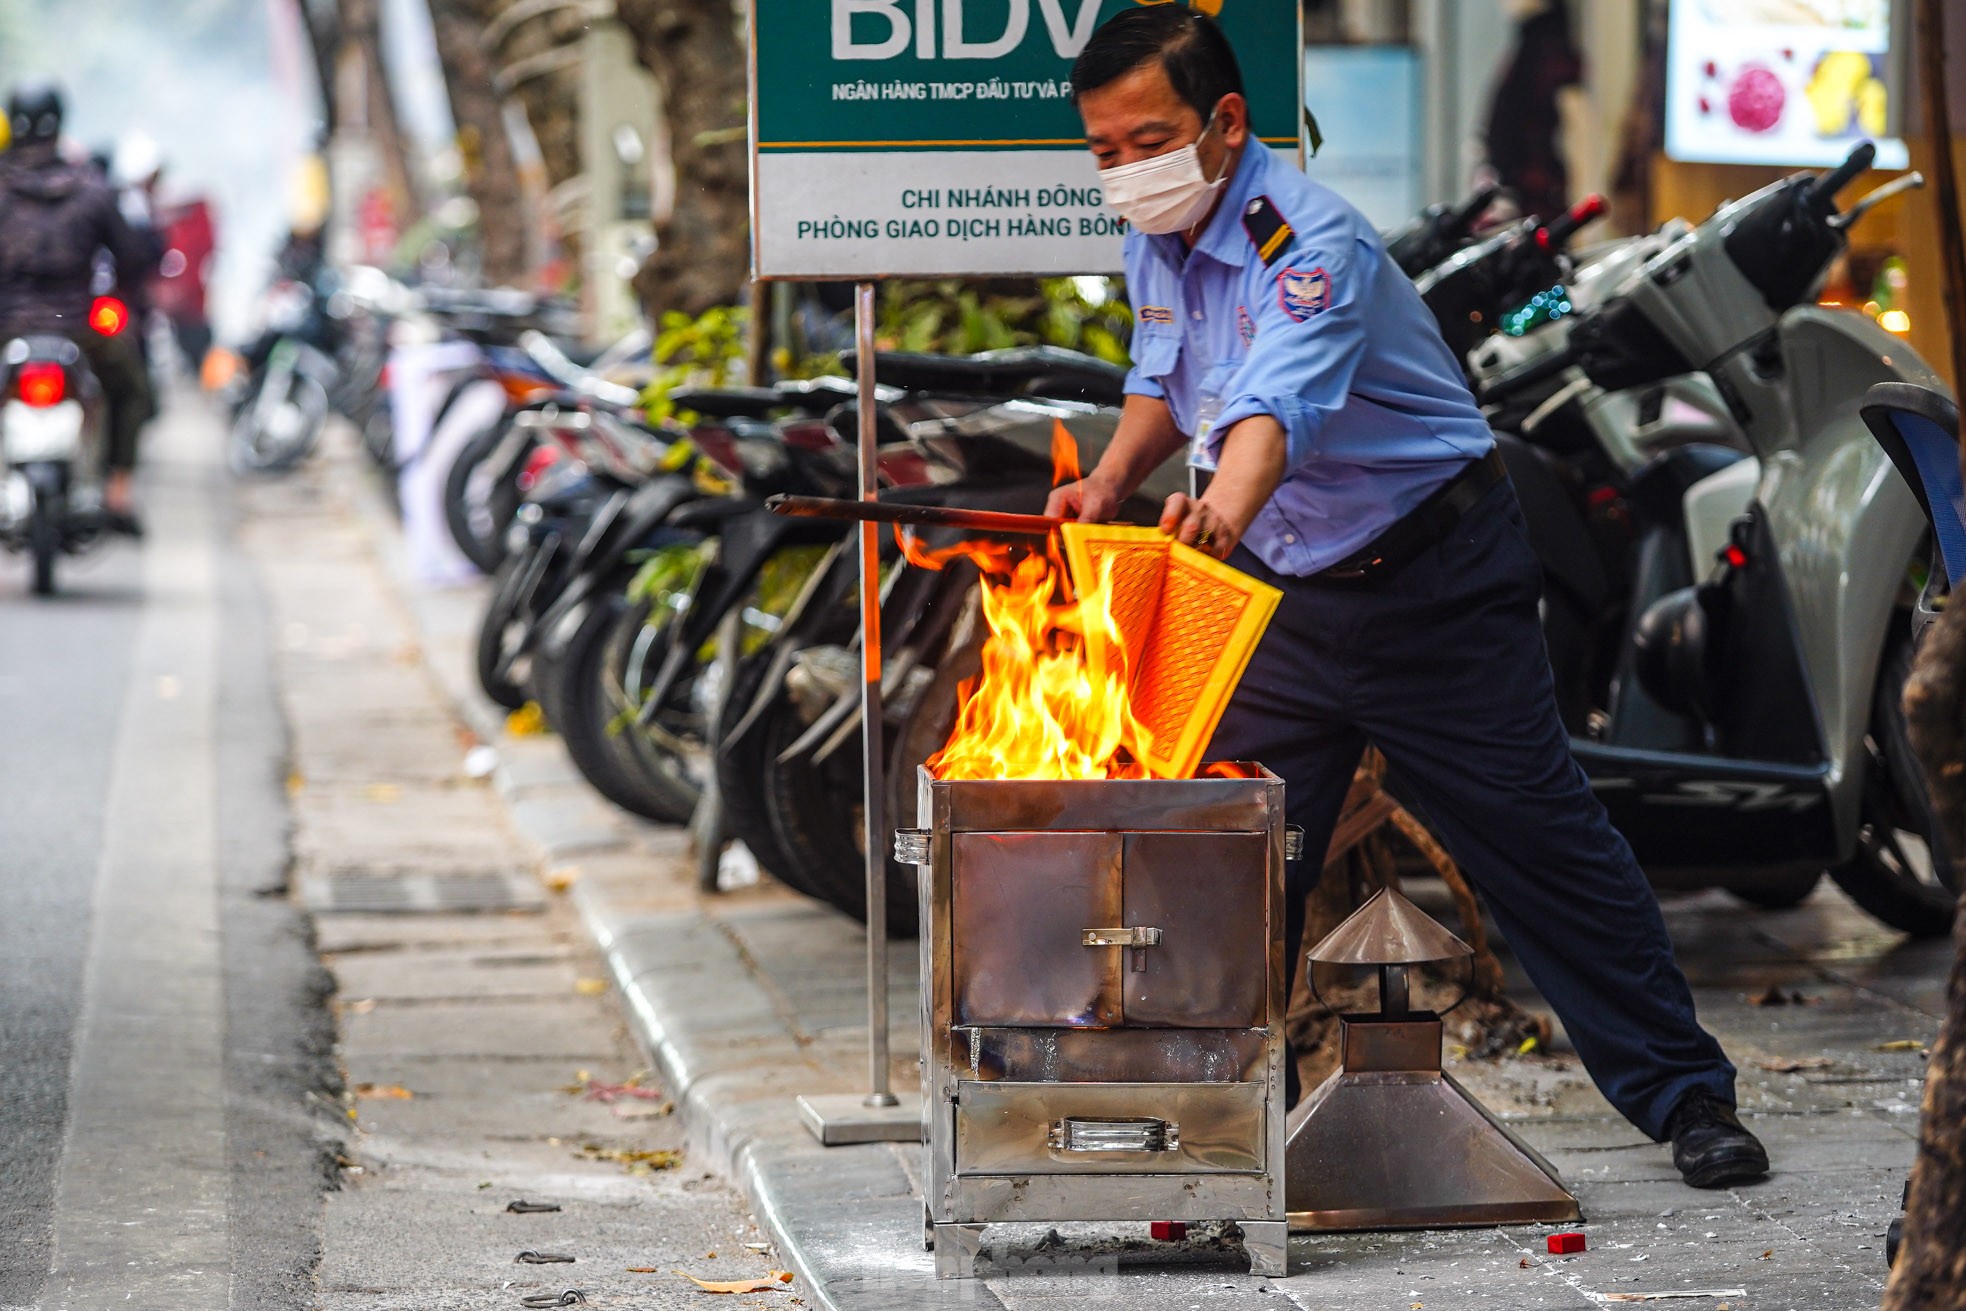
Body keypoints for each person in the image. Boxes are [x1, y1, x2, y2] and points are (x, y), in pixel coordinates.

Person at [1045, 7, 1768, 1191]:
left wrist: (1216, 517)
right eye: (1105, 150)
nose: (1124, 172)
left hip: (1429, 582)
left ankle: (1686, 1097)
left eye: (1148, 140)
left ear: (1226, 124)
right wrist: (1110, 483)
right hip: (1284, 597)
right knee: (1223, 857)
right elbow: (1160, 377)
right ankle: (1211, 1125)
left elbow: (1272, 413)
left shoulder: (1309, 242)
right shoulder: (1157, 237)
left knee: (1538, 842)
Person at [0, 82, 158, 533]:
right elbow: (131, 256)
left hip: (6, 326)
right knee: (131, 389)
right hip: (77, 329)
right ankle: (118, 492)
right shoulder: (91, 188)